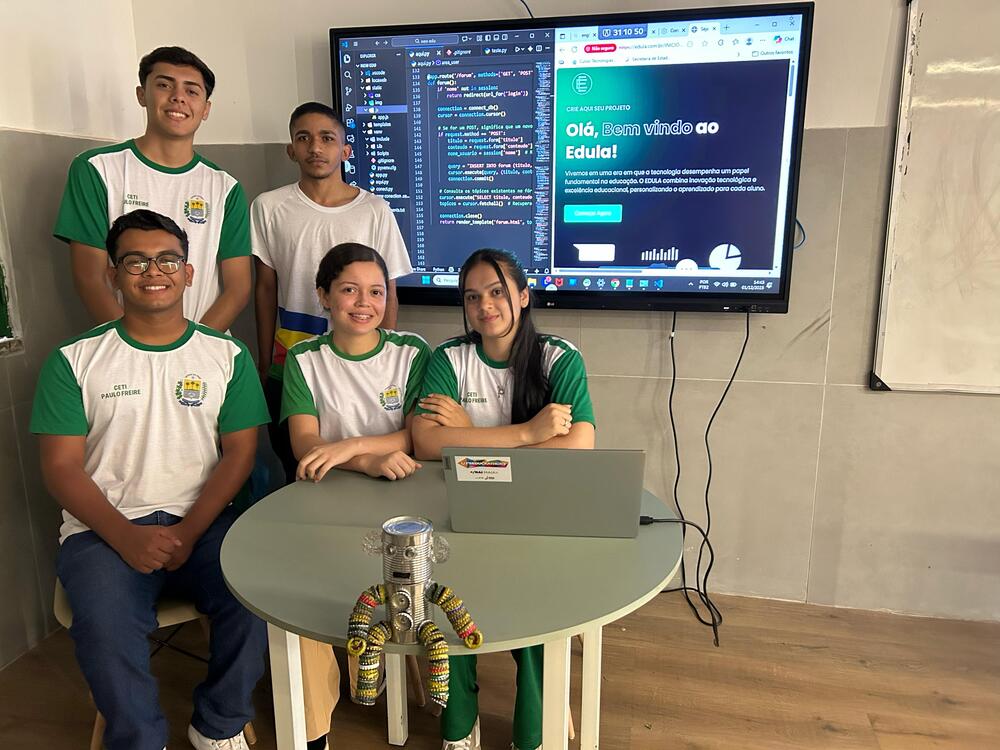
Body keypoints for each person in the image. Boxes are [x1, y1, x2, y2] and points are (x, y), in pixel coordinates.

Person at [31, 210, 269, 750]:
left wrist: (188, 531)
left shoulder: (226, 354)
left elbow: (239, 454)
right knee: (104, 625)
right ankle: (140, 739)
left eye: (167, 259)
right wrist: (124, 535)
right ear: (113, 274)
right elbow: (60, 468)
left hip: (204, 524)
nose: (153, 271)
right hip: (102, 531)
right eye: (135, 261)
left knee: (255, 594)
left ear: (188, 273)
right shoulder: (74, 360)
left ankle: (219, 725)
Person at [412, 248, 596, 750]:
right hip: (461, 513)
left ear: (524, 296)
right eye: (472, 297)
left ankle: (531, 736)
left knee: (535, 609)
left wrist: (467, 436)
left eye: (496, 292)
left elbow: (578, 446)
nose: (484, 306)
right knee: (447, 599)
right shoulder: (449, 358)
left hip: (538, 516)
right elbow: (426, 442)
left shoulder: (559, 358)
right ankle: (458, 727)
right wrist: (527, 434)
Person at [280, 242, 429, 749]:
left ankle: (376, 662)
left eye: (376, 292)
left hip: (405, 502)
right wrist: (366, 460)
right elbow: (305, 444)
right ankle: (313, 728)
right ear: (324, 296)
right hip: (326, 503)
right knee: (301, 598)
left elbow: (417, 436)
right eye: (349, 290)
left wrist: (348, 446)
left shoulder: (412, 352)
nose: (364, 303)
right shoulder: (304, 358)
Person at [252, 102, 413, 485]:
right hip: (293, 356)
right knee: (303, 466)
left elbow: (387, 290)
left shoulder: (374, 210)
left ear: (345, 149)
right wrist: (264, 361)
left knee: (372, 464)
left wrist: (384, 356)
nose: (315, 147)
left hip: (358, 362)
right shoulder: (269, 207)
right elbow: (265, 287)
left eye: (327, 138)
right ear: (291, 149)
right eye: (303, 138)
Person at [54, 46, 251, 332]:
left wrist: (195, 347)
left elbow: (238, 288)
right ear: (141, 94)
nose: (178, 97)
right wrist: (135, 347)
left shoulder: (225, 187)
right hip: (123, 349)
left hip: (205, 346)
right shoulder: (96, 169)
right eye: (164, 85)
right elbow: (91, 279)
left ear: (206, 109)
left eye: (192, 91)